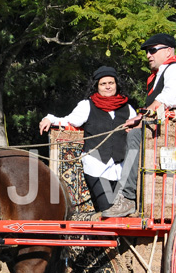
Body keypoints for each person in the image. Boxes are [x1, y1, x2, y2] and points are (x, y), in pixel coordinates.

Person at [102, 34, 176, 218]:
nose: (148, 55)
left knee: (135, 136)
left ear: (169, 51)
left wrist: (140, 120)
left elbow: (169, 98)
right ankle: (125, 196)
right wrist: (139, 121)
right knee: (129, 134)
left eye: (153, 50)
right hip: (163, 135)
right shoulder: (158, 75)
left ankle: (128, 198)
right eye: (147, 51)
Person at [39, 66, 137, 212]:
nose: (108, 86)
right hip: (96, 165)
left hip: (120, 167)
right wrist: (49, 119)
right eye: (103, 84)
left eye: (111, 83)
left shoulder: (128, 108)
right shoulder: (87, 105)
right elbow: (69, 121)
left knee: (121, 210)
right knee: (107, 206)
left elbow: (137, 129)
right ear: (96, 86)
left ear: (117, 84)